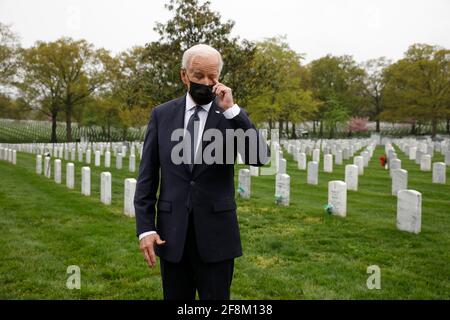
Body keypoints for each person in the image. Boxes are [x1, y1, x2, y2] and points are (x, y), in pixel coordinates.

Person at [134, 44, 270, 300]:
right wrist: (145, 228)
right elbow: (147, 178)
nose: (206, 83)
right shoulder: (161, 115)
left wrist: (232, 110)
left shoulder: (230, 115)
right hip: (171, 237)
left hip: (217, 238)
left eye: (213, 77)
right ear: (184, 75)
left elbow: (260, 158)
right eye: (199, 76)